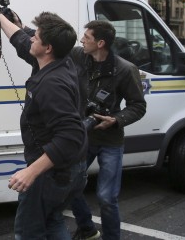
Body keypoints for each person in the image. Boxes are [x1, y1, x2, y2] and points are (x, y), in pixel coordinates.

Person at [0, 1, 88, 239]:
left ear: (48, 48)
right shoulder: (61, 59)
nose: (31, 38)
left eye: (36, 36)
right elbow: (22, 40)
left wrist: (32, 172)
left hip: (52, 174)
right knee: (53, 221)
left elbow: (71, 136)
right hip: (71, 169)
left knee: (28, 232)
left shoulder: (51, 85)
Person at [69, 20, 147, 240]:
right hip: (83, 137)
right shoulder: (78, 56)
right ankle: (87, 229)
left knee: (106, 198)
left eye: (87, 37)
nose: (82, 40)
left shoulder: (125, 69)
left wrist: (115, 119)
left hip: (110, 141)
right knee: (70, 186)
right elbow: (52, 43)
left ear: (100, 43)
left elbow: (138, 106)